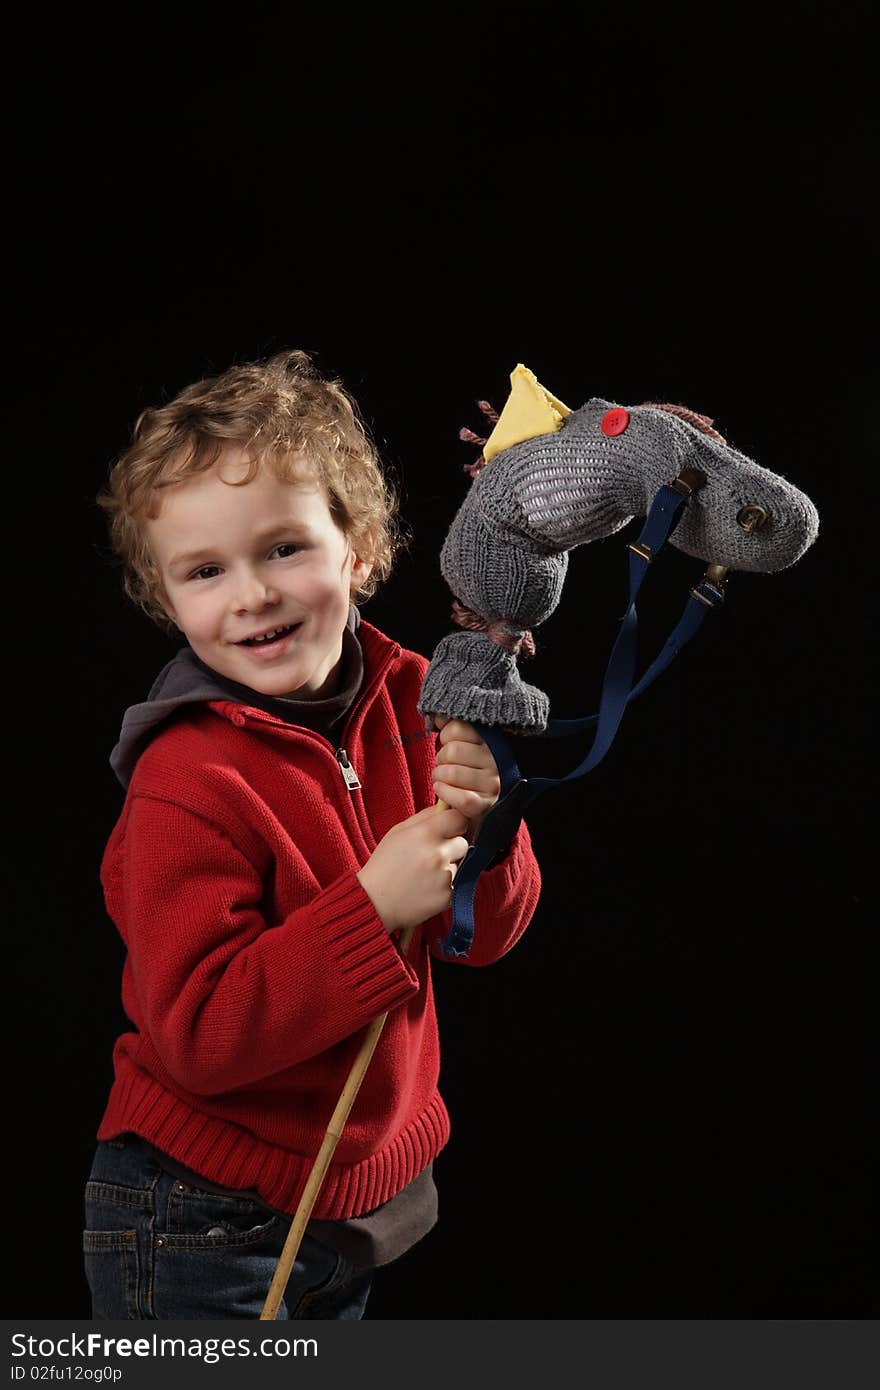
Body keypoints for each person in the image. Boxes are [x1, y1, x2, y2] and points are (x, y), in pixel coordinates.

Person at [84, 349, 542, 1320]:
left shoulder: (425, 697)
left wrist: (489, 822)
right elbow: (203, 1036)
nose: (249, 593)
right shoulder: (185, 781)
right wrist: (371, 907)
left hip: (352, 1207)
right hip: (200, 1219)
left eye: (284, 548)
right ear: (167, 601)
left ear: (361, 548)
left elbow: (483, 933)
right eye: (205, 571)